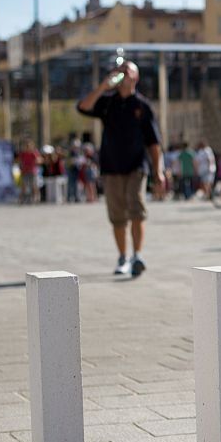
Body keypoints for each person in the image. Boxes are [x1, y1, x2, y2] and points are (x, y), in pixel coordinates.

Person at [77, 59, 164, 278]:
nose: (122, 74)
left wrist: (158, 171)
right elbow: (83, 107)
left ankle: (138, 256)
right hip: (111, 167)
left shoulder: (142, 106)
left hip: (136, 166)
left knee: (137, 209)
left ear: (135, 77)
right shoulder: (107, 102)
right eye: (119, 70)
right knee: (117, 216)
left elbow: (154, 143)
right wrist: (102, 87)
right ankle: (123, 257)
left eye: (126, 70)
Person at [18, 138, 42, 205]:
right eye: (27, 146)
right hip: (24, 171)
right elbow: (20, 161)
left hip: (32, 171)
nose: (28, 147)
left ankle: (36, 198)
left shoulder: (34, 152)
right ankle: (22, 199)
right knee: (23, 186)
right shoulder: (23, 153)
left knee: (33, 185)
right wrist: (20, 167)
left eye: (29, 146)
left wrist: (36, 160)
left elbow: (39, 160)